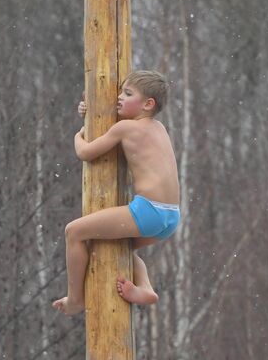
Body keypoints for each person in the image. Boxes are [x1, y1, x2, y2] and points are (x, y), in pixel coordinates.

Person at [52, 70, 180, 316]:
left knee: (74, 232)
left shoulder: (125, 128)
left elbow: (86, 152)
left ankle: (76, 299)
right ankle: (145, 287)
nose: (119, 97)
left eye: (127, 93)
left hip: (148, 210)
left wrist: (79, 133)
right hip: (171, 217)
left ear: (148, 104)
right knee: (123, 246)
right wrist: (89, 111)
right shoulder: (159, 128)